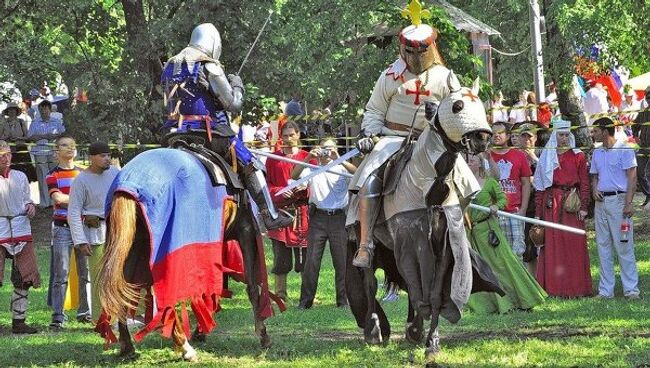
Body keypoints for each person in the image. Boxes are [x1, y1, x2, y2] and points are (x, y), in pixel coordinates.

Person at [160, 23, 293, 230]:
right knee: (251, 162)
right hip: (207, 134)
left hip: (173, 133)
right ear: (213, 43)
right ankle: (269, 214)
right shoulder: (208, 65)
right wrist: (237, 86)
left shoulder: (170, 66)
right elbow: (233, 105)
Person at [350, 11, 451, 268]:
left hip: (433, 141)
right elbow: (374, 110)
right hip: (392, 139)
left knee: (465, 180)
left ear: (430, 48)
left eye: (421, 51)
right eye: (411, 51)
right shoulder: (389, 76)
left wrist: (439, 115)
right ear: (403, 49)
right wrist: (370, 135)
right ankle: (365, 244)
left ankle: (464, 236)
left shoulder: (446, 77)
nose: (416, 57)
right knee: (369, 178)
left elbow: (457, 112)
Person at [465, 153, 546, 314]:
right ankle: (489, 305)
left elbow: (503, 200)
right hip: (471, 233)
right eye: (466, 161)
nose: (468, 163)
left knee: (503, 264)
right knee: (480, 269)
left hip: (488, 230)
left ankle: (523, 297)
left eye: (471, 161)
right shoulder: (463, 185)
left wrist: (495, 207)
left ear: (480, 164)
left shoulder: (489, 183)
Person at [291, 138, 356, 309]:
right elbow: (294, 176)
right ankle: (305, 302)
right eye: (324, 149)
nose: (327, 153)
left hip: (338, 218)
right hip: (318, 218)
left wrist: (339, 157)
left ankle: (343, 301)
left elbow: (358, 175)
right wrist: (307, 158)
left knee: (342, 262)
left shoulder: (342, 167)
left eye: (330, 148)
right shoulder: (312, 168)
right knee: (312, 261)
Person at [532, 119, 593, 297]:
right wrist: (538, 213)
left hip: (571, 204)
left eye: (567, 134)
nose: (564, 138)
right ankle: (553, 288)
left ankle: (576, 288)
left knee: (573, 245)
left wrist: (583, 206)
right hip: (551, 204)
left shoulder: (578, 155)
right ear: (555, 136)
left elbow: (584, 182)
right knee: (552, 246)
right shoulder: (547, 156)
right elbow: (541, 187)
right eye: (561, 135)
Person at [67, 142, 120, 318]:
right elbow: (74, 211)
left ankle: (121, 315)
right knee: (98, 276)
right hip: (95, 231)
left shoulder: (115, 173)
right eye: (102, 156)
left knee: (118, 272)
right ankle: (100, 318)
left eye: (108, 155)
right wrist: (80, 240)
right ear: (91, 158)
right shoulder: (81, 180)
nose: (107, 159)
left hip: (116, 228)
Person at [590, 117, 640, 300]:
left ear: (605, 131)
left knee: (624, 245)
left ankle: (631, 289)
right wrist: (595, 189)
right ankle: (605, 290)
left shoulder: (624, 148)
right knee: (603, 246)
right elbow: (594, 176)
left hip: (619, 202)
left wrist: (628, 204)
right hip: (601, 203)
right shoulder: (597, 152)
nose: (592, 133)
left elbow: (632, 178)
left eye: (595, 130)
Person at [46, 136, 91, 328]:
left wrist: (72, 199)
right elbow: (57, 198)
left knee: (85, 273)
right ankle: (58, 316)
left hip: (82, 228)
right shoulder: (52, 175)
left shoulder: (83, 174)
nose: (70, 148)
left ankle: (86, 312)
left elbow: (89, 199)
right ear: (56, 151)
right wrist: (78, 199)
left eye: (73, 145)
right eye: (65, 145)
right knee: (60, 273)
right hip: (62, 228)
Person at [265, 122, 313, 302]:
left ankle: (306, 294)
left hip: (302, 213)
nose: (288, 139)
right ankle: (280, 295)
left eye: (291, 135)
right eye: (284, 136)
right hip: (281, 214)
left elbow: (316, 184)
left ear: (298, 134)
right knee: (280, 259)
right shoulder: (272, 159)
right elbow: (268, 185)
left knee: (305, 259)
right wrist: (278, 191)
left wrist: (304, 188)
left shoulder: (308, 157)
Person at [0, 140, 40, 333]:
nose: (4, 158)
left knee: (24, 276)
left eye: (7, 154)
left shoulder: (21, 176)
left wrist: (30, 206)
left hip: (21, 228)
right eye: (0, 155)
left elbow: (27, 200)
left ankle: (19, 322)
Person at [490, 122, 533, 262]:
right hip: (494, 212)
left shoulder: (518, 156)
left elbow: (526, 183)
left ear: (508, 136)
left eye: (500, 132)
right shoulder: (486, 156)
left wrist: (523, 209)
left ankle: (519, 283)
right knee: (498, 252)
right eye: (493, 133)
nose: (496, 135)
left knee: (518, 253)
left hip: (515, 211)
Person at [27, 100, 65, 208]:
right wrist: (41, 136)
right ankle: (44, 203)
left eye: (46, 109)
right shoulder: (35, 122)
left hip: (54, 152)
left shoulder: (56, 121)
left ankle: (55, 200)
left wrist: (53, 136)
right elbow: (30, 136)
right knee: (42, 176)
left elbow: (62, 134)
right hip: (39, 151)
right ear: (39, 110)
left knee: (55, 176)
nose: (44, 112)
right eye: (42, 110)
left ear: (50, 110)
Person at [0, 102, 35, 182]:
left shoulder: (21, 121)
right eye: (10, 110)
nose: (12, 111)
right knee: (10, 177)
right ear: (7, 112)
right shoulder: (3, 122)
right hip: (8, 152)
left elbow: (27, 137)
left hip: (21, 150)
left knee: (25, 176)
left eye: (13, 110)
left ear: (16, 111)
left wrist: (18, 138)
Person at [633, 87, 650, 207]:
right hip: (644, 146)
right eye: (648, 98)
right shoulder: (644, 112)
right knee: (639, 172)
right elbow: (634, 125)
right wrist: (635, 137)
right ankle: (649, 194)